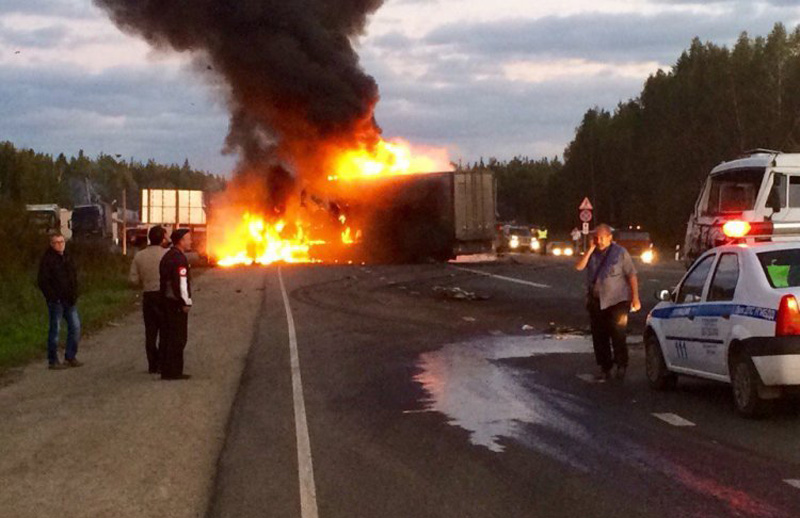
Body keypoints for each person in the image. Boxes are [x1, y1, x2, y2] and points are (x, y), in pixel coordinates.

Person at [575, 224, 640, 381]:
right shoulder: (592, 253)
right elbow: (579, 267)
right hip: (597, 301)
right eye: (596, 238)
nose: (599, 241)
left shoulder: (620, 253)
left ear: (610, 238)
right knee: (599, 336)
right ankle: (605, 367)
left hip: (617, 300)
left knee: (618, 333)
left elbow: (631, 275)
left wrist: (635, 297)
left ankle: (621, 364)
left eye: (602, 237)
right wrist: (589, 249)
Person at [38, 233, 83, 370]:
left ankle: (70, 356)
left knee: (75, 327)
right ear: (51, 244)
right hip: (56, 301)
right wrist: (52, 297)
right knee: (55, 330)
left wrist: (75, 293)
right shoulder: (48, 260)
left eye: (62, 241)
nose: (60, 244)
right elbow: (43, 281)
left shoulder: (67, 257)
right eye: (56, 242)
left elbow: (73, 277)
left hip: (69, 299)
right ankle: (53, 360)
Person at [129, 225, 169, 374]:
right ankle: (163, 362)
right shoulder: (167, 254)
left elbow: (133, 279)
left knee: (150, 332)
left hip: (149, 296)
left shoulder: (139, 256)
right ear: (163, 238)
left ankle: (153, 364)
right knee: (165, 330)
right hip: (164, 296)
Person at [159, 228, 193, 380]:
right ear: (181, 241)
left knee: (167, 335)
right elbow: (182, 283)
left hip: (166, 301)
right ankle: (175, 371)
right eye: (188, 238)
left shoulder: (168, 256)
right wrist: (185, 302)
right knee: (178, 337)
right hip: (176, 303)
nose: (190, 241)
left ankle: (166, 370)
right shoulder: (179, 259)